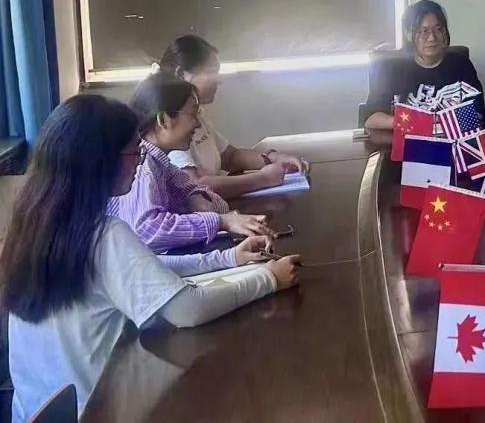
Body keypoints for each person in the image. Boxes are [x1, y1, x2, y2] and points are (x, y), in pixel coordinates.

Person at [1, 95, 301, 420]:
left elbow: (143, 270)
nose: (140, 161)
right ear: (103, 160)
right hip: (98, 411)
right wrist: (269, 278)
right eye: (135, 152)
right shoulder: (103, 234)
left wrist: (228, 258)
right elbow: (188, 310)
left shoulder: (33, 225)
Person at [109, 74, 273, 251]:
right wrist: (221, 221)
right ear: (164, 120)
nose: (197, 124)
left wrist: (197, 200)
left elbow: (202, 192)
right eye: (193, 114)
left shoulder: (163, 163)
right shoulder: (142, 168)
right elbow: (149, 230)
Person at [159, 35, 308, 198]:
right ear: (181, 75)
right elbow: (196, 184)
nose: (219, 80)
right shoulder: (170, 124)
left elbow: (229, 156)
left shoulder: (197, 115)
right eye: (211, 71)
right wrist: (263, 178)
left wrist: (275, 157)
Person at [361, 0, 485, 130]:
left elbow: (477, 115)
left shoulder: (461, 65)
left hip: (451, 140)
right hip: (406, 140)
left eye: (438, 29)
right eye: (424, 31)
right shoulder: (391, 69)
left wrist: (436, 126)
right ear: (409, 33)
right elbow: (371, 119)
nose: (432, 38)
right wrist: (414, 123)